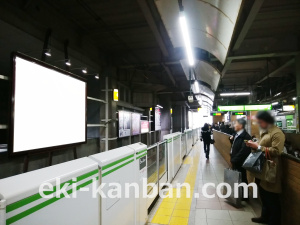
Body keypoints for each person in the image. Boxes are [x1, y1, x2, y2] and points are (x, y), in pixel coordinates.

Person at [246, 111, 285, 225]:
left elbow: (277, 151)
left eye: (260, 122)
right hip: (262, 168)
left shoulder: (277, 133)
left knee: (271, 196)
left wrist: (258, 146)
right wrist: (254, 144)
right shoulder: (264, 131)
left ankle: (274, 221)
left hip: (271, 168)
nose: (259, 124)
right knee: (263, 194)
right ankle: (265, 216)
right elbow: (262, 145)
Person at [229, 119, 252, 199]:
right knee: (239, 178)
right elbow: (236, 145)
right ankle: (239, 195)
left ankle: (245, 197)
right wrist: (231, 139)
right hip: (236, 160)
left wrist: (234, 160)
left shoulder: (246, 137)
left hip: (240, 161)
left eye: (236, 124)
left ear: (241, 126)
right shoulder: (237, 135)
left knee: (242, 178)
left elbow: (244, 151)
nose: (234, 125)